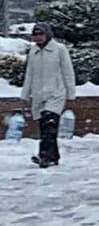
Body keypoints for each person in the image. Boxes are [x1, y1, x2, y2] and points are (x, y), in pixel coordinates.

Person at [19, 23, 76, 168]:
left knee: (48, 124)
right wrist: (24, 95)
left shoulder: (59, 50)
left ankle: (44, 155)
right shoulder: (33, 51)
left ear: (48, 34)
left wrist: (71, 94)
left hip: (55, 93)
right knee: (44, 127)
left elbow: (68, 72)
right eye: (35, 35)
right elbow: (29, 74)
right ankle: (53, 156)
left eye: (40, 34)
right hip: (38, 95)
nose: (38, 38)